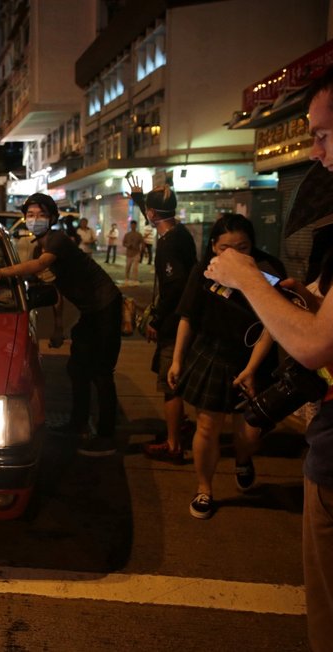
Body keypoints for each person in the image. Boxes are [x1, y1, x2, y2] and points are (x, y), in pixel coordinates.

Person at [205, 41, 333, 651]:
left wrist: (247, 275)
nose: (314, 151)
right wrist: (292, 295)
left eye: (320, 133)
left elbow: (314, 346)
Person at [0, 192, 122, 456]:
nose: (35, 220)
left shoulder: (56, 240)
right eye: (30, 215)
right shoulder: (42, 245)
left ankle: (106, 437)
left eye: (41, 215)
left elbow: (38, 266)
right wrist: (57, 328)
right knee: (77, 368)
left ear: (53, 218)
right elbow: (55, 291)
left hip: (105, 307)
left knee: (101, 373)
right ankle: (77, 425)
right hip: (91, 312)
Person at [170, 213, 284, 521]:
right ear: (212, 246)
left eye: (243, 247)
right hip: (212, 355)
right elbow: (187, 317)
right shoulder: (204, 271)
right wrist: (178, 359)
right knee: (207, 426)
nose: (233, 255)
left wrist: (251, 368)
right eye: (224, 248)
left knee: (248, 431)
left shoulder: (269, 271)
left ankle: (243, 459)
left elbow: (271, 327)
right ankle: (204, 488)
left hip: (254, 357)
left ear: (254, 245)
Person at [130, 182, 198, 462]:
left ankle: (173, 445)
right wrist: (138, 198)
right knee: (173, 380)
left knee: (170, 384)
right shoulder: (179, 232)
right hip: (185, 317)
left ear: (153, 214)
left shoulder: (169, 245)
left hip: (174, 323)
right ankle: (178, 427)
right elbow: (156, 215)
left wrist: (156, 320)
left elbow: (173, 287)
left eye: (148, 211)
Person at [121, 219, 144, 287]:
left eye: (134, 225)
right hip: (129, 253)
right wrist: (128, 245)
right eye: (132, 225)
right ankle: (127, 278)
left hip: (136, 253)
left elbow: (142, 243)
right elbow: (123, 243)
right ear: (130, 226)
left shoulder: (139, 234)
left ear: (136, 226)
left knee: (135, 268)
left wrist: (143, 250)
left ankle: (134, 280)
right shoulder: (127, 234)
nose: (133, 226)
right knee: (128, 267)